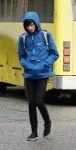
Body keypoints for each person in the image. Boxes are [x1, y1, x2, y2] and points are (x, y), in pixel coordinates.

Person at [18, 11, 59, 141]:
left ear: (36, 23)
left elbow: (54, 54)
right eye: (27, 26)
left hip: (42, 74)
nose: (29, 28)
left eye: (31, 25)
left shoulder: (46, 36)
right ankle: (34, 132)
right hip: (29, 75)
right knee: (31, 103)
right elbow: (21, 56)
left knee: (39, 101)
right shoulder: (23, 38)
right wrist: (27, 65)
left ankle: (47, 122)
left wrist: (44, 65)